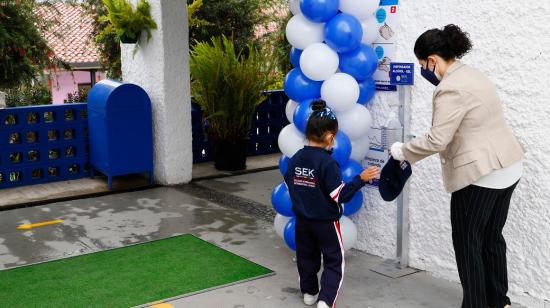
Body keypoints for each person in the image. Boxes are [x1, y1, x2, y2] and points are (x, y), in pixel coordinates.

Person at [390, 24, 525, 308]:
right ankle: (499, 301)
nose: (423, 71)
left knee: (467, 245)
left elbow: (438, 139)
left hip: (481, 175)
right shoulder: (472, 74)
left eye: (421, 64)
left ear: (432, 60)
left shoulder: (449, 89)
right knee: (491, 238)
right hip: (508, 167)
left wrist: (403, 151)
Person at [284, 100, 380, 308]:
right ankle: (325, 301)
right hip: (326, 223)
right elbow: (341, 195)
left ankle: (309, 293)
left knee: (306, 257)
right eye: (334, 136)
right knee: (334, 261)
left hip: (302, 221)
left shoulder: (296, 158)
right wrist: (360, 179)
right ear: (329, 136)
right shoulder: (328, 163)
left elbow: (289, 184)